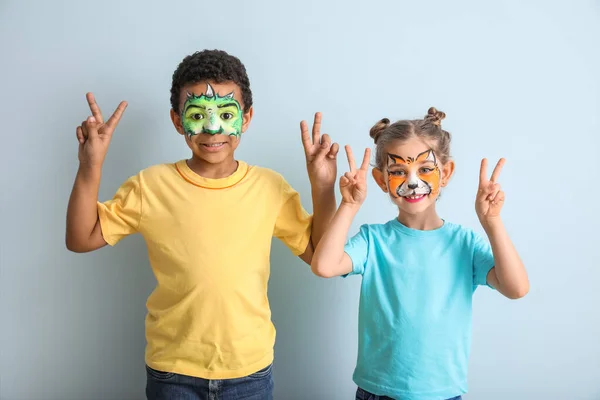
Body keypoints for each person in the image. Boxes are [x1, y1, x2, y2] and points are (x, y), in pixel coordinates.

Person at [65, 49, 339, 400]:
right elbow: (80, 238)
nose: (212, 127)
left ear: (248, 116)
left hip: (249, 372)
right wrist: (90, 166)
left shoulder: (270, 188)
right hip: (173, 372)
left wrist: (323, 187)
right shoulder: (150, 185)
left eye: (226, 113)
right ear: (178, 120)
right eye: (197, 114)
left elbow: (322, 257)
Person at [311, 107, 529, 400]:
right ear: (381, 180)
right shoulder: (373, 241)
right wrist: (349, 205)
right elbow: (324, 266)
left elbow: (517, 288)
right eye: (399, 171)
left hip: (442, 393)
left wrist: (492, 221)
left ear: (446, 172)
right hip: (377, 391)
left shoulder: (464, 243)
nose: (413, 182)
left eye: (425, 169)